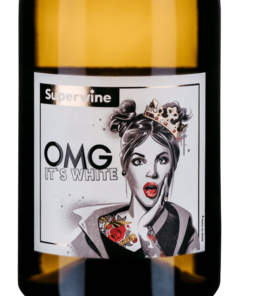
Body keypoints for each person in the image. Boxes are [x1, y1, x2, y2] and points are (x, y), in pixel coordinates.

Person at [69, 98, 199, 259]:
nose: (152, 172)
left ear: (173, 164)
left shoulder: (183, 225)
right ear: (125, 165)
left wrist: (145, 231)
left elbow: (167, 273)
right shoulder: (92, 231)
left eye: (162, 160)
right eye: (139, 161)